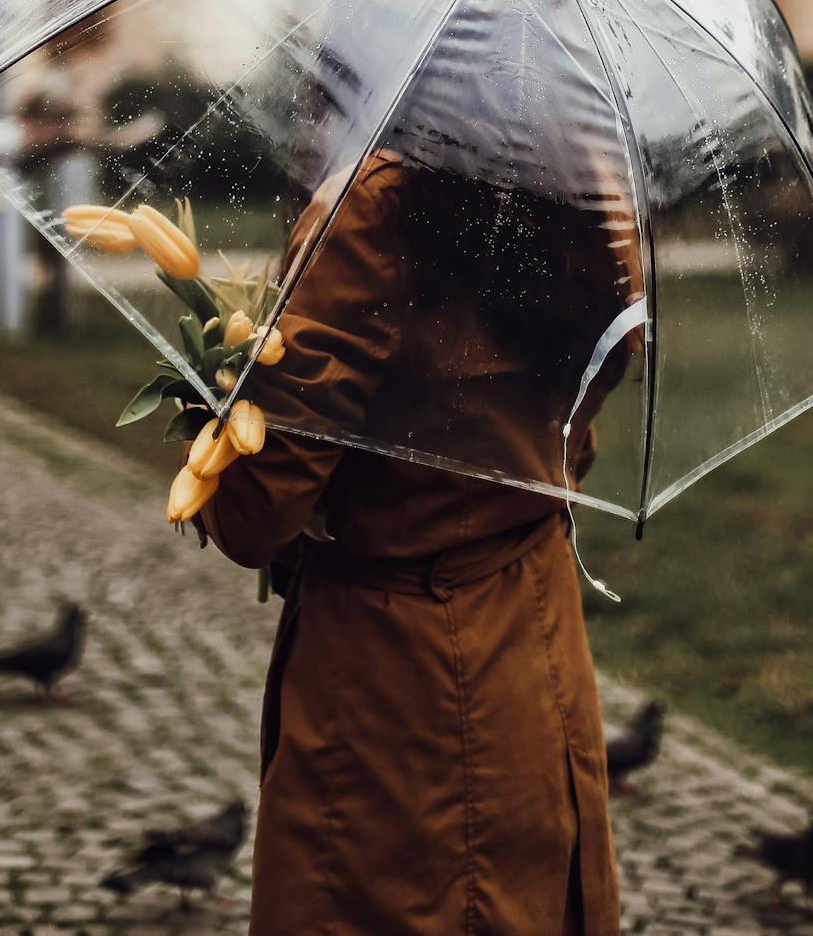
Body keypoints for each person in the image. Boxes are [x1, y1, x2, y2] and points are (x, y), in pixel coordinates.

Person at [199, 146, 637, 936]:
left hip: (396, 694)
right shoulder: (589, 189)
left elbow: (256, 514)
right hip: (537, 653)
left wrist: (209, 414)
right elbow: (578, 427)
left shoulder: (372, 209)